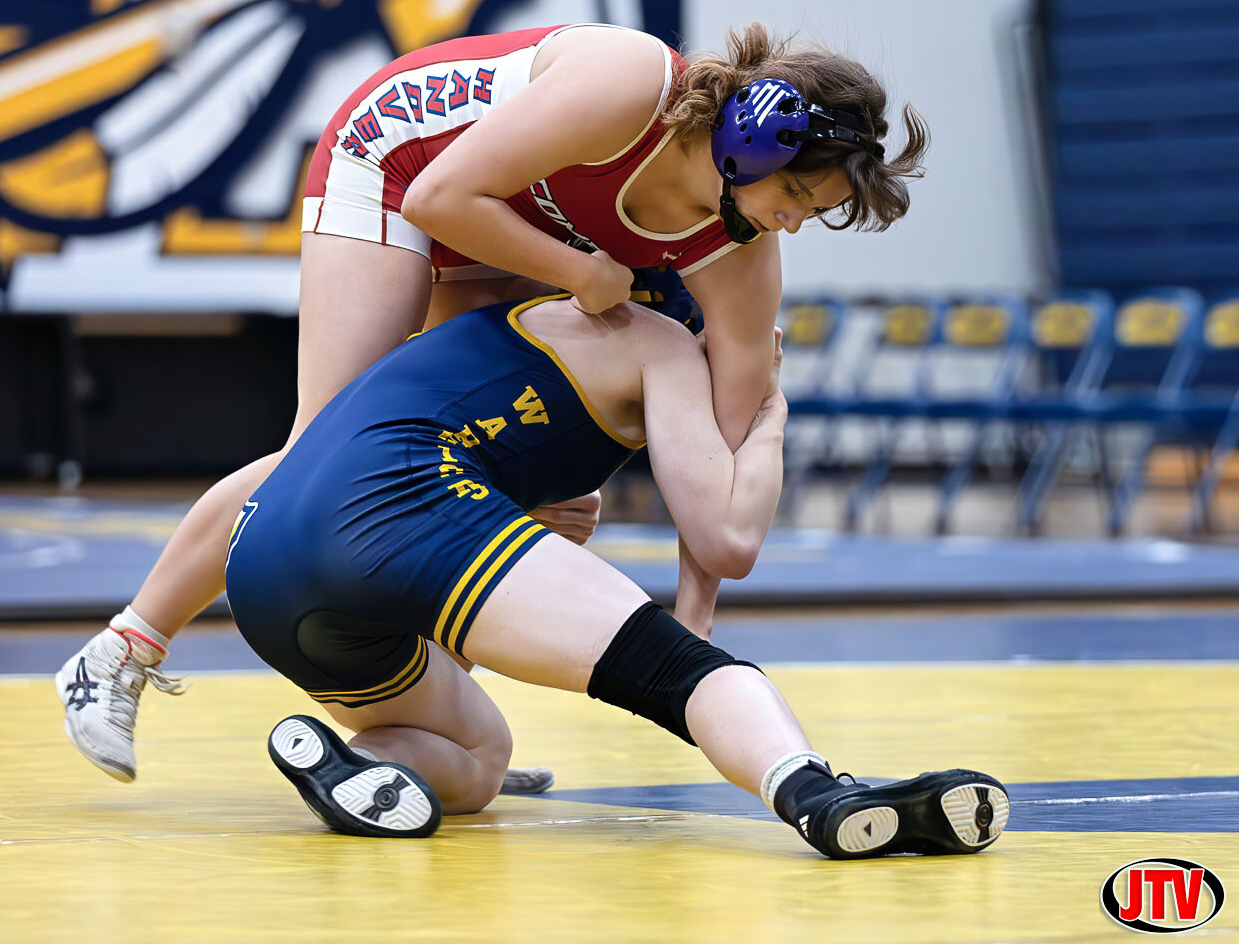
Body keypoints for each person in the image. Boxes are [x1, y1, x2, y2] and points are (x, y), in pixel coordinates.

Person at [56, 22, 930, 789]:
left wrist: (693, 624)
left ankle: (438, 727)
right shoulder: (630, 85)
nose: (794, 223)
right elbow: (439, 198)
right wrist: (580, 271)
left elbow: (721, 447)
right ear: (753, 138)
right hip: (402, 162)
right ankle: (122, 650)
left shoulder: (741, 257)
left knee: (531, 490)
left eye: (818, 212)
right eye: (798, 196)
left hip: (508, 209)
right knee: (322, 454)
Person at [215, 293, 1007, 856]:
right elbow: (729, 538)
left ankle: (365, 766)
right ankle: (817, 794)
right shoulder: (661, 343)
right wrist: (768, 420)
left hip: (260, 559)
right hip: (401, 505)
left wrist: (153, 626)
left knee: (482, 756)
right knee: (678, 673)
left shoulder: (507, 320)